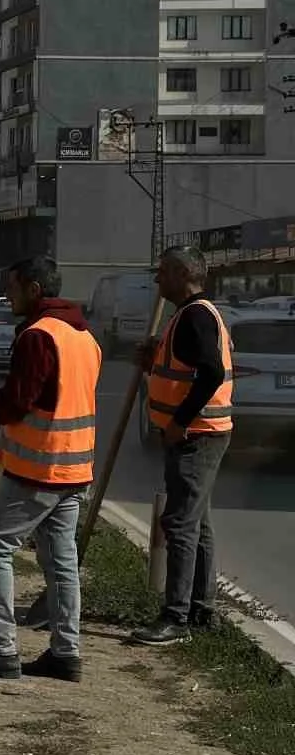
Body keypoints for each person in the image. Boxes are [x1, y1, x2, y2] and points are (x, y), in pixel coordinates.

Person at [0, 256, 101, 682]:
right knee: (60, 561)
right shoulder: (84, 335)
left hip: (40, 468)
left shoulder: (39, 336)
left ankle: (2, 650)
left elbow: (19, 401)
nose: (8, 296)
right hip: (75, 467)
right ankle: (66, 653)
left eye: (13, 288)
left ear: (35, 289)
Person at [129, 244, 233, 646]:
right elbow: (185, 369)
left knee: (180, 524)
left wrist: (178, 423)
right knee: (197, 523)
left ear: (179, 273)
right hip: (202, 434)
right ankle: (202, 609)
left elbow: (210, 373)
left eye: (162, 273)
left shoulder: (195, 316)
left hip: (195, 436)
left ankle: (176, 618)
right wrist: (152, 362)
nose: (157, 281)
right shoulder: (193, 314)